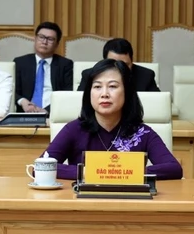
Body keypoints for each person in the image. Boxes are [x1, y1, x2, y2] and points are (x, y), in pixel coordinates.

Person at [43, 59, 183, 180]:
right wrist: (89, 172)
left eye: (112, 86)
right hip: (84, 200)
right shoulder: (74, 129)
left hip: (129, 200)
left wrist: (126, 173)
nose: (104, 94)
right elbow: (41, 166)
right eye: (97, 87)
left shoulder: (141, 133)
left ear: (127, 92)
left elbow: (174, 169)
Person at [14, 21, 73, 113]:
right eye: (41, 37)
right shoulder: (20, 62)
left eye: (50, 39)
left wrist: (47, 110)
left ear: (57, 44)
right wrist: (22, 101)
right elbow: (12, 90)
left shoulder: (65, 65)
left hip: (52, 114)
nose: (44, 42)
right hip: (25, 113)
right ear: (35, 39)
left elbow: (67, 94)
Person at [76, 38, 159, 92]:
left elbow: (156, 104)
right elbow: (80, 103)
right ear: (104, 61)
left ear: (132, 61)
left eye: (125, 64)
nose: (120, 69)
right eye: (113, 64)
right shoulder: (89, 75)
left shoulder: (146, 76)